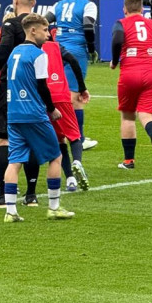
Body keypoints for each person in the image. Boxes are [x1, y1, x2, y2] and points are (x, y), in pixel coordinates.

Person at [0, 0, 46, 207]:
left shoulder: (11, 24)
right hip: (34, 87)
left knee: (3, 139)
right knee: (31, 137)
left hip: (10, 87)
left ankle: (2, 196)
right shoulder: (41, 27)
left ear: (15, 0)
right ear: (33, 3)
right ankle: (31, 196)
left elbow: (3, 52)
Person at [2, 13, 75, 222]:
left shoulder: (14, 52)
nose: (48, 35)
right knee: (56, 156)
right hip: (33, 113)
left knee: (15, 161)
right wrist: (51, 109)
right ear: (33, 30)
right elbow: (42, 86)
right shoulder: (38, 54)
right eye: (45, 30)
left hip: (13, 113)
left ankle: (10, 211)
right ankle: (54, 207)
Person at [111, 0, 152, 170]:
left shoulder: (121, 23)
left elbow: (116, 40)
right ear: (142, 9)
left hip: (130, 72)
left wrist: (115, 61)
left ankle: (129, 161)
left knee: (128, 116)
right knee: (146, 114)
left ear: (125, 9)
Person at [52, 0, 99, 151]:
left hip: (58, 48)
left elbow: (44, 20)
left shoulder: (60, 3)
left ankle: (55, 133)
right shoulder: (89, 5)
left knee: (54, 89)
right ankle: (79, 137)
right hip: (76, 50)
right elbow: (88, 27)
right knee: (75, 96)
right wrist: (92, 48)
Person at [42, 31, 90, 192]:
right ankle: (77, 161)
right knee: (74, 135)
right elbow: (74, 61)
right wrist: (82, 87)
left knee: (59, 140)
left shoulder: (31, 48)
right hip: (61, 95)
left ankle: (70, 179)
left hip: (42, 98)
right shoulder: (56, 47)